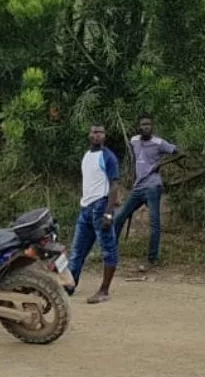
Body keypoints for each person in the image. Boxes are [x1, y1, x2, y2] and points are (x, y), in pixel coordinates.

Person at [113, 115, 178, 272]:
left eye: (149, 124)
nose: (146, 126)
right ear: (139, 127)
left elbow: (179, 152)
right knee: (119, 218)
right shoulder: (134, 140)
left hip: (152, 186)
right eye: (143, 124)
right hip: (138, 187)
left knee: (154, 223)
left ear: (152, 127)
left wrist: (159, 164)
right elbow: (136, 160)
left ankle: (152, 259)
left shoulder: (158, 142)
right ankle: (111, 253)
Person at [67, 125, 120, 304]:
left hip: (100, 206)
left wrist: (109, 212)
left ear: (105, 136)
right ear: (89, 135)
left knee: (107, 249)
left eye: (100, 132)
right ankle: (70, 284)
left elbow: (114, 185)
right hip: (86, 208)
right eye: (93, 132)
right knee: (77, 251)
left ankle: (104, 290)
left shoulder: (108, 157)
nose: (96, 135)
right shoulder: (86, 156)